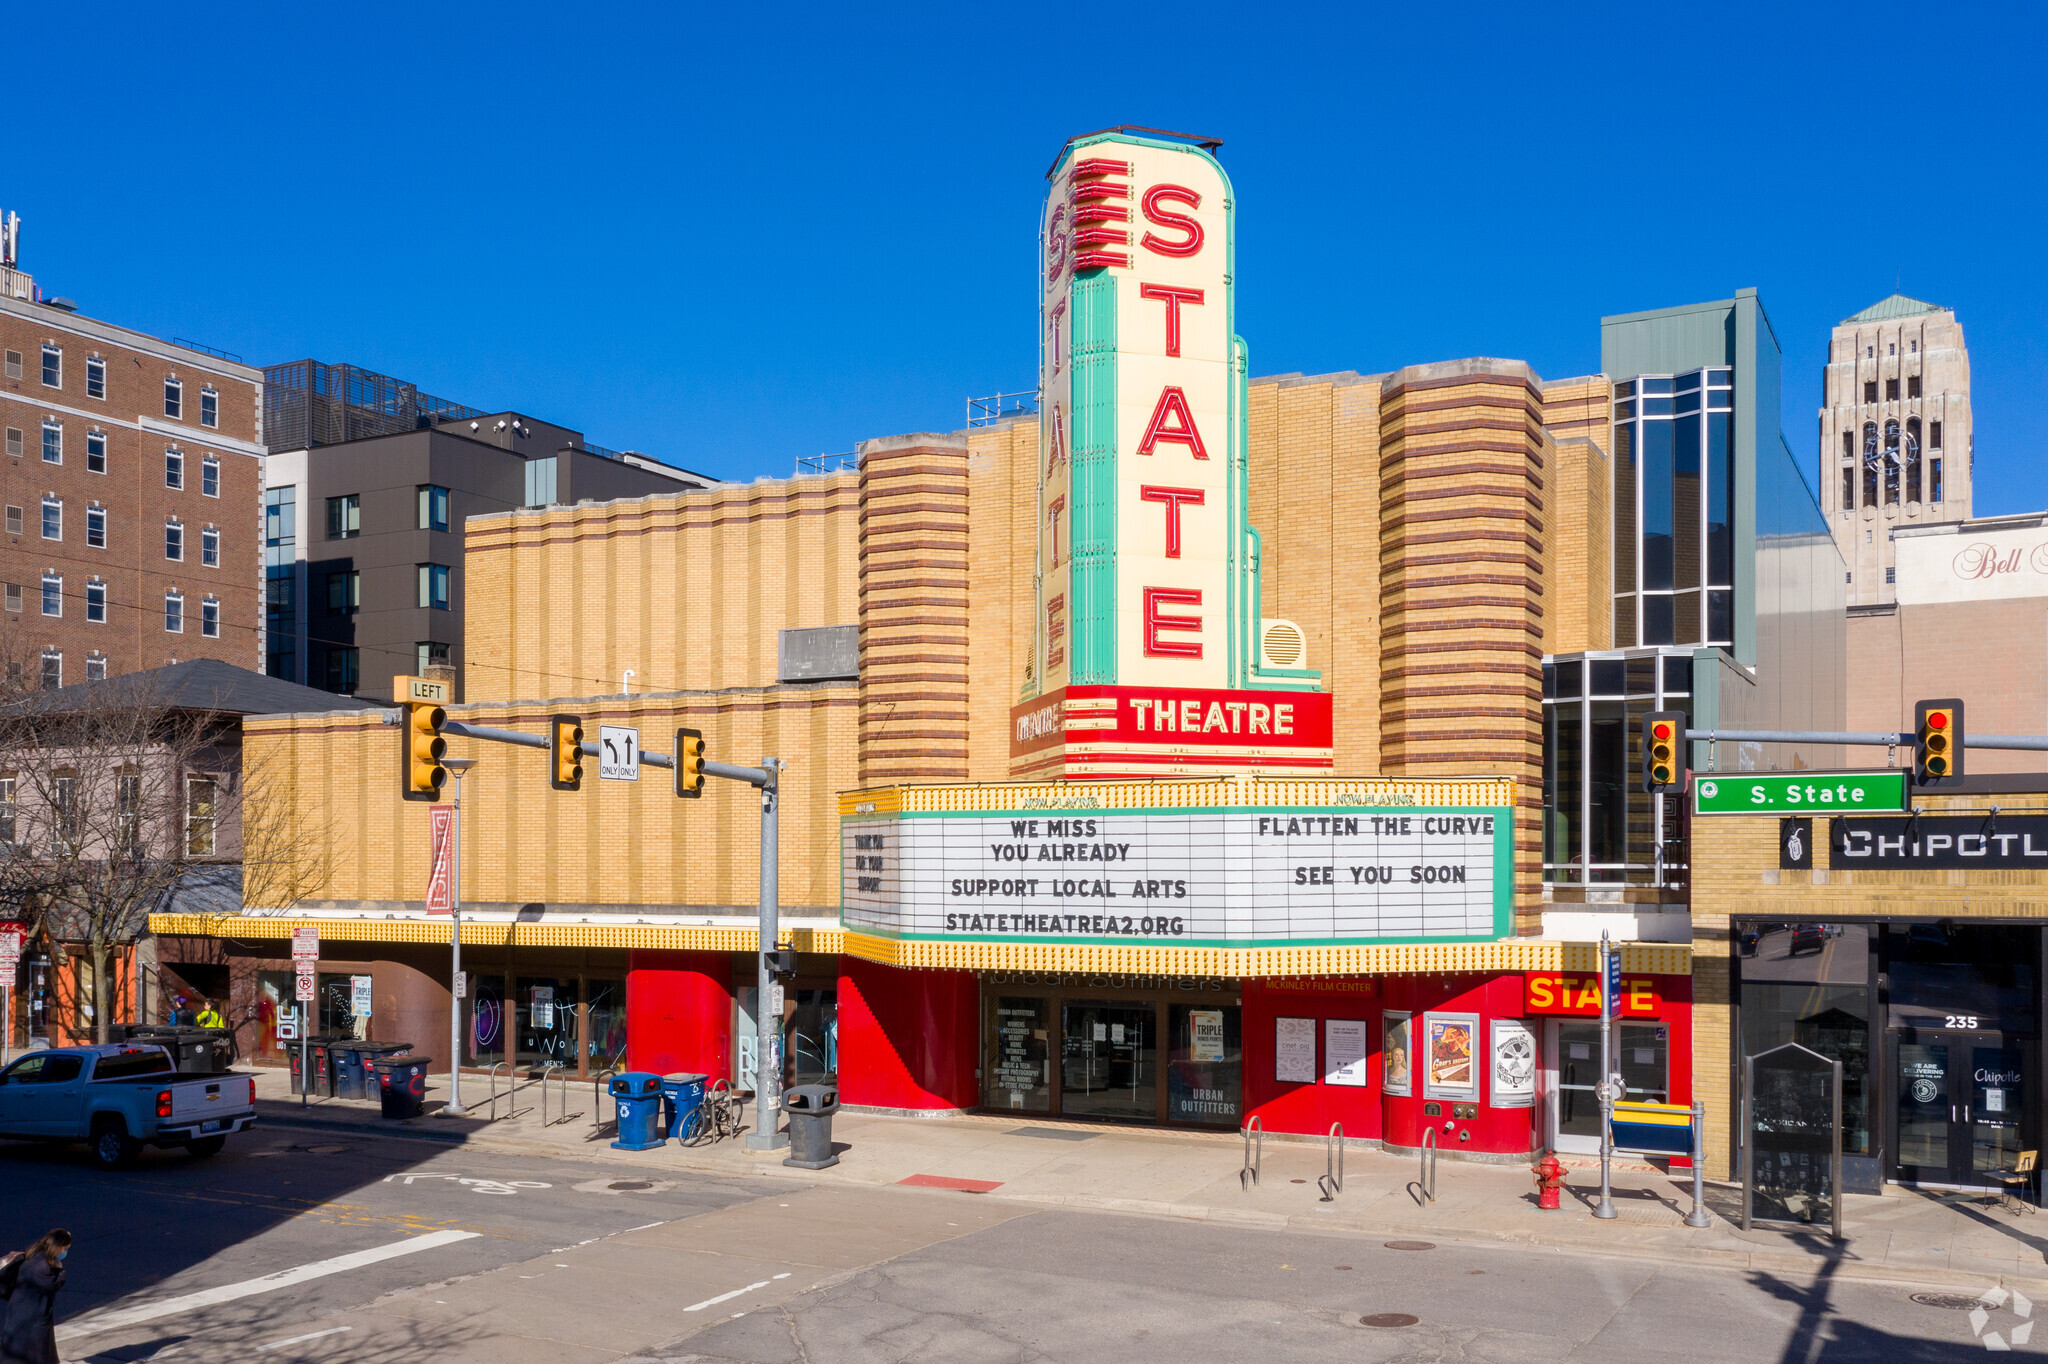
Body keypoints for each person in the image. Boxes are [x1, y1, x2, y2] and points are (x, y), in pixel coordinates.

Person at [0, 1228, 69, 1364]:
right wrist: (60, 1271)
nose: (65, 1252)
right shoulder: (43, 1267)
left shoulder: (33, 1256)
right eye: (65, 1248)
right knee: (36, 1355)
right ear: (57, 1247)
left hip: (19, 1315)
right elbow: (53, 1285)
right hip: (33, 1320)